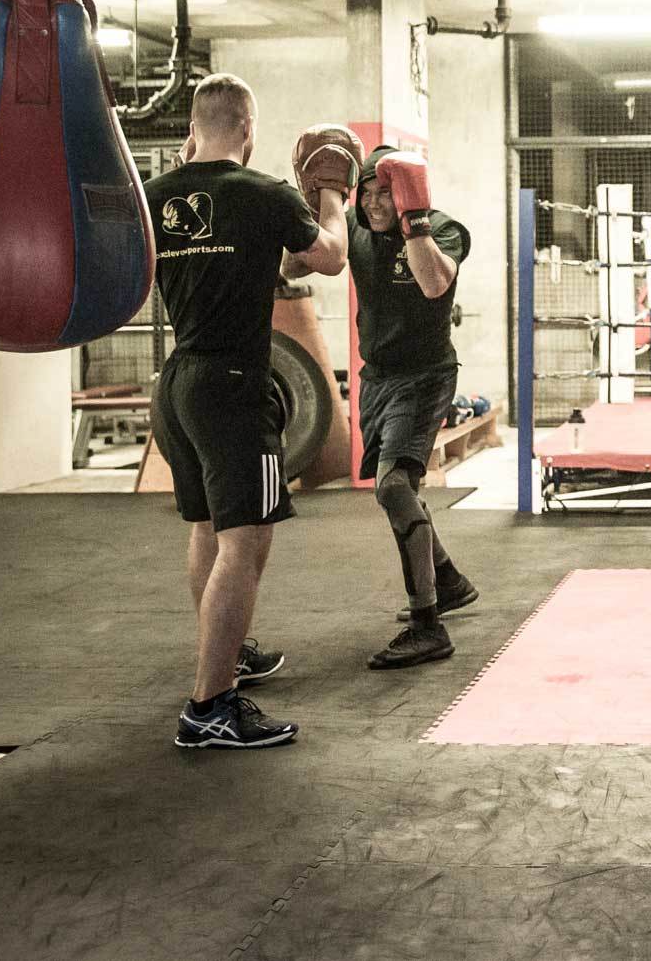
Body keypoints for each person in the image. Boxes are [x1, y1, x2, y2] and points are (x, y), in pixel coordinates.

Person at [147, 77, 349, 749]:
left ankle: (223, 656)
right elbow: (327, 256)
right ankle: (210, 706)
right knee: (248, 540)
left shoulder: (155, 197)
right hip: (234, 387)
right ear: (248, 126)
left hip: (177, 384)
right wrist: (334, 196)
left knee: (208, 524)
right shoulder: (265, 195)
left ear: (195, 127)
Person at [287, 145, 479, 669]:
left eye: (383, 194)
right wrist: (316, 201)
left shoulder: (441, 228)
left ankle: (428, 626)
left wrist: (413, 221)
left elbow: (434, 282)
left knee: (394, 487)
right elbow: (296, 264)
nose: (372, 205)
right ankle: (450, 581)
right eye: (364, 193)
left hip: (426, 377)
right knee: (401, 492)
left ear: (406, 193)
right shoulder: (352, 224)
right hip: (378, 379)